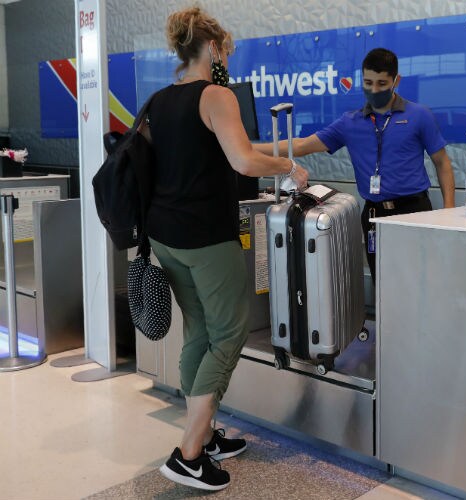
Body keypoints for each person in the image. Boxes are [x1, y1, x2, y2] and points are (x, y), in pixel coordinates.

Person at [142, 6, 308, 492]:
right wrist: (288, 168)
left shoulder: (158, 99)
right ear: (213, 48)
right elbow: (242, 159)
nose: (227, 59)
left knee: (199, 333)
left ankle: (206, 436)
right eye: (226, 51)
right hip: (204, 236)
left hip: (164, 235)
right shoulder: (216, 95)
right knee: (231, 334)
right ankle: (189, 454)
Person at [255, 48, 455, 282]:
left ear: (396, 81)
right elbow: (300, 146)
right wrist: (247, 149)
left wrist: (448, 213)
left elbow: (442, 163)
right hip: (373, 214)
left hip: (414, 211)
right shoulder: (350, 123)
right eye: (368, 83)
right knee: (382, 282)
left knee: (420, 282)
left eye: (382, 83)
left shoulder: (419, 115)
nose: (374, 90)